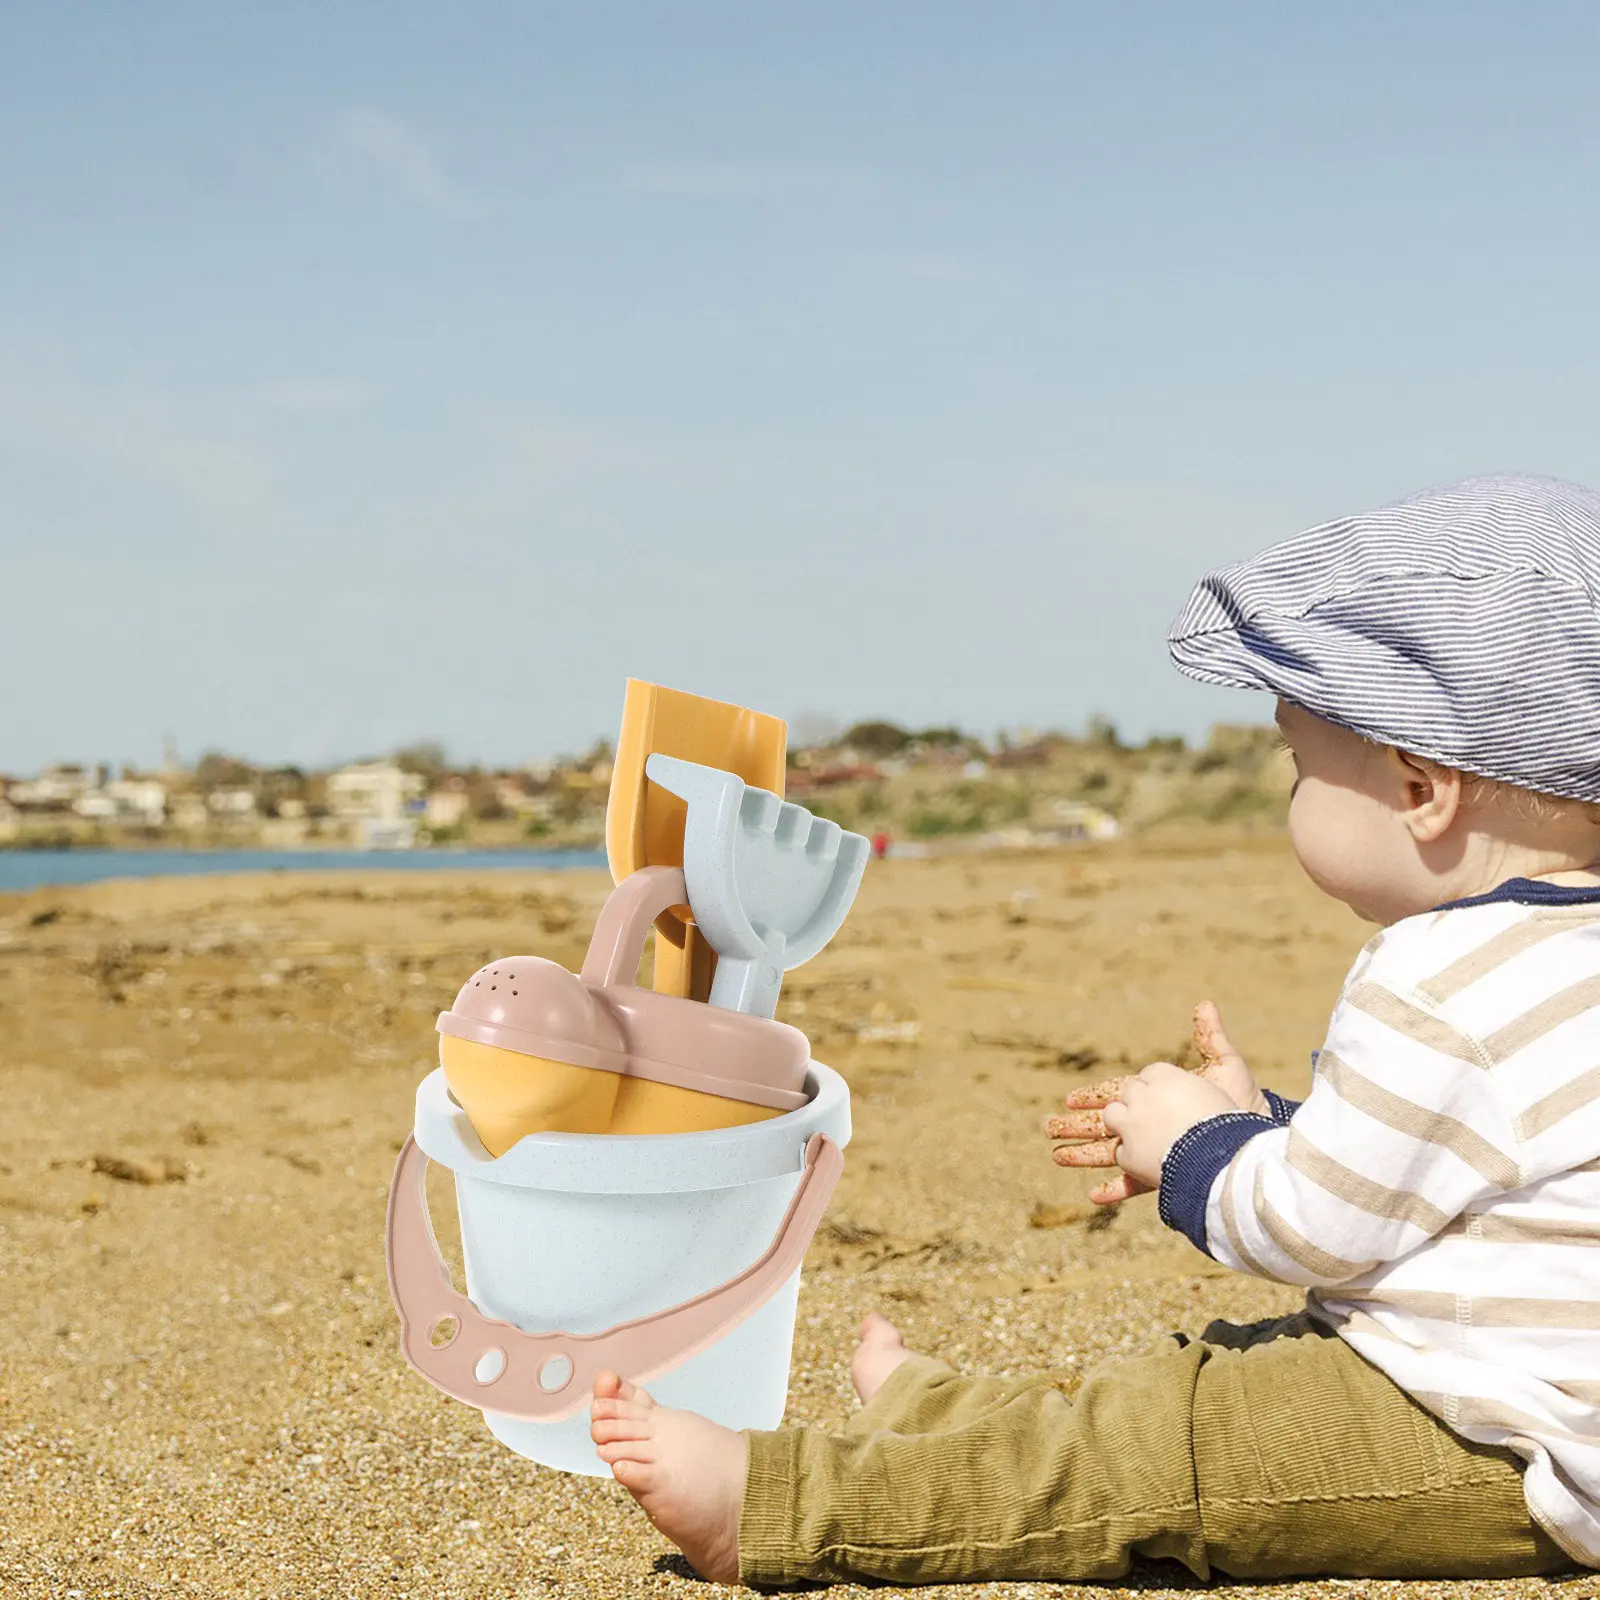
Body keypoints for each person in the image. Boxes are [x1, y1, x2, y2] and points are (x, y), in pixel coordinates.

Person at [587, 472, 1600, 1586]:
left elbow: (1318, 1231)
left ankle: (780, 1505)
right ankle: (946, 1413)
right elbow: (1462, 1171)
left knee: (1163, 1450)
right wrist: (1262, 1121)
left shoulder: (1438, 972)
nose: (1291, 790)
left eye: (1301, 761)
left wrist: (1195, 1152)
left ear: (1419, 788)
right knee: (1192, 1389)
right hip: (1514, 1388)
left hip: (1500, 1436)